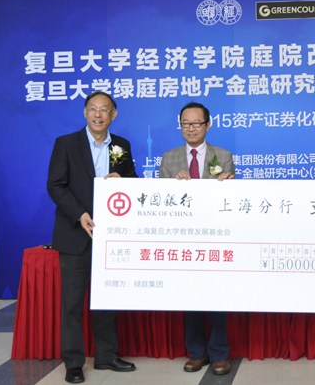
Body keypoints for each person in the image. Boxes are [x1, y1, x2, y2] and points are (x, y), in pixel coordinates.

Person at [47, 91, 138, 384]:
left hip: (111, 235)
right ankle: (73, 363)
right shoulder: (66, 143)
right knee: (72, 304)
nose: (98, 114)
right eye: (93, 109)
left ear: (113, 114)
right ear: (85, 113)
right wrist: (80, 214)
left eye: (104, 109)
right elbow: (55, 185)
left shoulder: (121, 146)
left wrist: (124, 181)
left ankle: (106, 356)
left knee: (107, 299)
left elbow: (134, 182)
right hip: (76, 232)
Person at [159, 102, 235, 375]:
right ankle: (196, 352)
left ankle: (219, 354)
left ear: (207, 125)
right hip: (183, 239)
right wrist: (172, 187)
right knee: (189, 296)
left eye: (196, 123)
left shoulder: (223, 155)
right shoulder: (169, 158)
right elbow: (159, 201)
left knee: (217, 297)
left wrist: (229, 184)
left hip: (215, 237)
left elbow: (233, 200)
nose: (190, 128)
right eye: (185, 123)